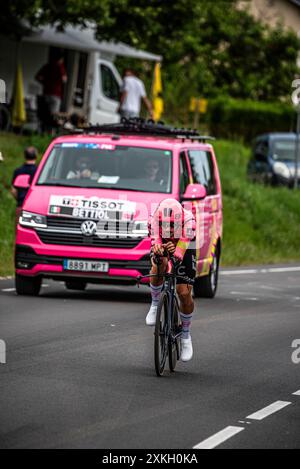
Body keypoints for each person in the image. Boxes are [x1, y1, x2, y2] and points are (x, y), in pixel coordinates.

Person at [146, 198, 196, 362]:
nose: (168, 228)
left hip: (185, 246)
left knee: (183, 292)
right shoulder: (154, 219)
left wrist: (176, 250)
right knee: (159, 264)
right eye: (164, 224)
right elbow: (155, 243)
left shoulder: (188, 221)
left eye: (173, 225)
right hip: (164, 241)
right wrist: (159, 249)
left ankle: (186, 336)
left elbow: (180, 254)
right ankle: (155, 304)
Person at [35, 49, 67, 127]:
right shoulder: (60, 67)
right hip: (56, 95)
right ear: (61, 59)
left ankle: (43, 128)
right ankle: (50, 131)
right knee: (54, 116)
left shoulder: (48, 65)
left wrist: (45, 83)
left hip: (46, 93)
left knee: (45, 114)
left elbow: (37, 77)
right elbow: (64, 79)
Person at [11, 147, 38, 222]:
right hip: (35, 207)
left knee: (19, 230)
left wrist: (20, 199)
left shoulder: (18, 171)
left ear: (25, 156)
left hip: (21, 205)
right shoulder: (39, 172)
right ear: (36, 156)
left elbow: (13, 191)